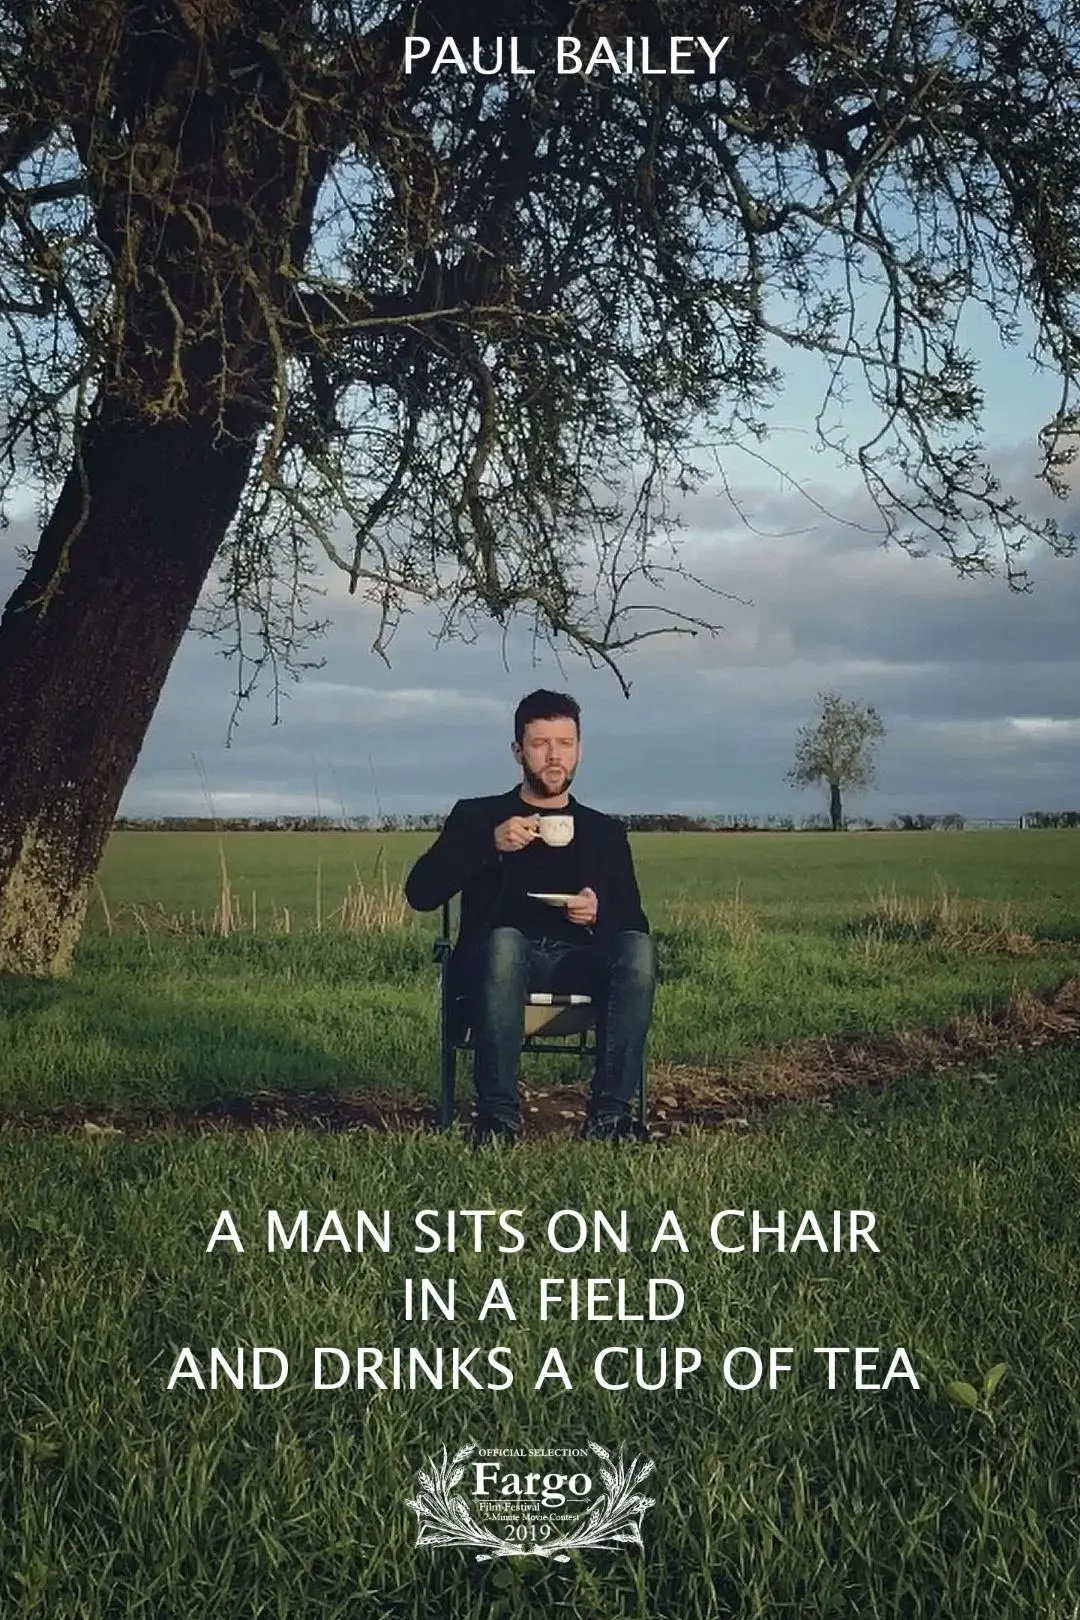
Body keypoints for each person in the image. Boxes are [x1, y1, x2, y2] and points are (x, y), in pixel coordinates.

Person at [404, 689, 657, 1144]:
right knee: (504, 941)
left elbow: (633, 921)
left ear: (580, 748)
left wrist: (600, 912)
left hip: (581, 965)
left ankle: (610, 1119)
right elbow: (420, 893)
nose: (554, 756)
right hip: (498, 967)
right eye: (540, 744)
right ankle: (498, 1120)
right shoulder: (479, 817)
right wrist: (488, 847)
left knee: (637, 948)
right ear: (518, 751)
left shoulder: (604, 831)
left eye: (565, 743)